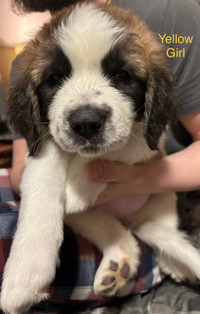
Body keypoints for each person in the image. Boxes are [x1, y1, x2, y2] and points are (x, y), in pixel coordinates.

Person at [1, 0, 200, 312]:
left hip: (157, 202)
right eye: (54, 80)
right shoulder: (26, 62)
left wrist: (133, 181)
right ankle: (117, 246)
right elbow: (27, 162)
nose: (85, 116)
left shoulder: (172, 16)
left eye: (120, 76)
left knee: (162, 235)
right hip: (88, 220)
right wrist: (41, 219)